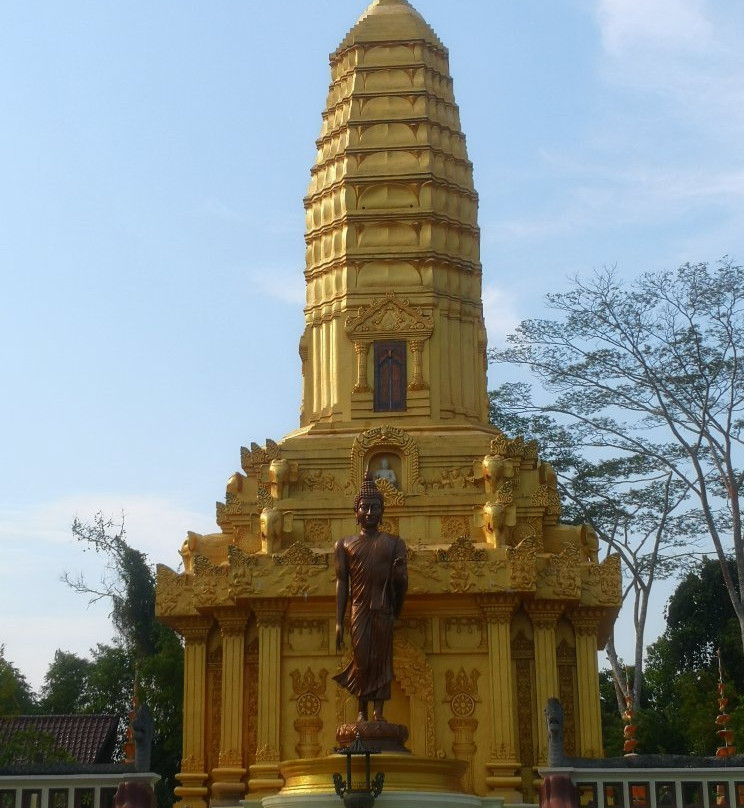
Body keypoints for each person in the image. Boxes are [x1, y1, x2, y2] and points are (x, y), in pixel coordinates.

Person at [334, 472, 407, 723]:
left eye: (375, 507)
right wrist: (338, 621)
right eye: (364, 507)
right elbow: (342, 582)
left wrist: (396, 607)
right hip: (359, 608)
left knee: (381, 661)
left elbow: (401, 582)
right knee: (362, 659)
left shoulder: (394, 543)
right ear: (355, 512)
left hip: (383, 608)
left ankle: (378, 714)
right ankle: (361, 713)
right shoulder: (345, 544)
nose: (369, 512)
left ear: (382, 511)